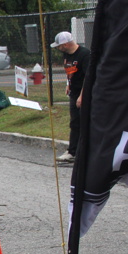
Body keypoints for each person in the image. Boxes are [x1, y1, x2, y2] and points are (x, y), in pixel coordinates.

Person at [51, 31, 91, 162]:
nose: (58, 48)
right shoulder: (66, 54)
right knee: (75, 122)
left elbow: (88, 77)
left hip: (84, 93)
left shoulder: (85, 55)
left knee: (84, 122)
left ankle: (85, 151)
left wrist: (82, 96)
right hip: (73, 92)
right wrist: (68, 84)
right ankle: (72, 151)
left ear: (66, 44)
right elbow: (69, 71)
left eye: (59, 45)